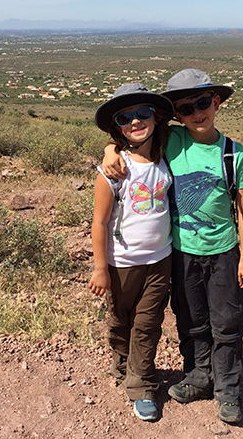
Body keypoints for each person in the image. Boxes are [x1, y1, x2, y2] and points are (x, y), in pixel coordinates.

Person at [102, 69, 243, 424]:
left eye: (203, 103)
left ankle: (228, 389)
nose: (196, 113)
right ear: (175, 114)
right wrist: (110, 148)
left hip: (223, 251)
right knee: (190, 319)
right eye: (186, 108)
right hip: (181, 252)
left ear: (216, 103)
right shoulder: (170, 140)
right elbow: (132, 137)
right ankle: (199, 376)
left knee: (227, 321)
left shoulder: (234, 154)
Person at [89, 82, 175, 422]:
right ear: (117, 127)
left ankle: (141, 384)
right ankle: (124, 365)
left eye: (143, 113)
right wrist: (99, 268)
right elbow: (98, 223)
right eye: (125, 117)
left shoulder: (168, 153)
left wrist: (111, 144)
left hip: (160, 261)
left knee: (148, 323)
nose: (135, 122)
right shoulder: (112, 170)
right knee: (120, 322)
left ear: (156, 117)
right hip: (121, 264)